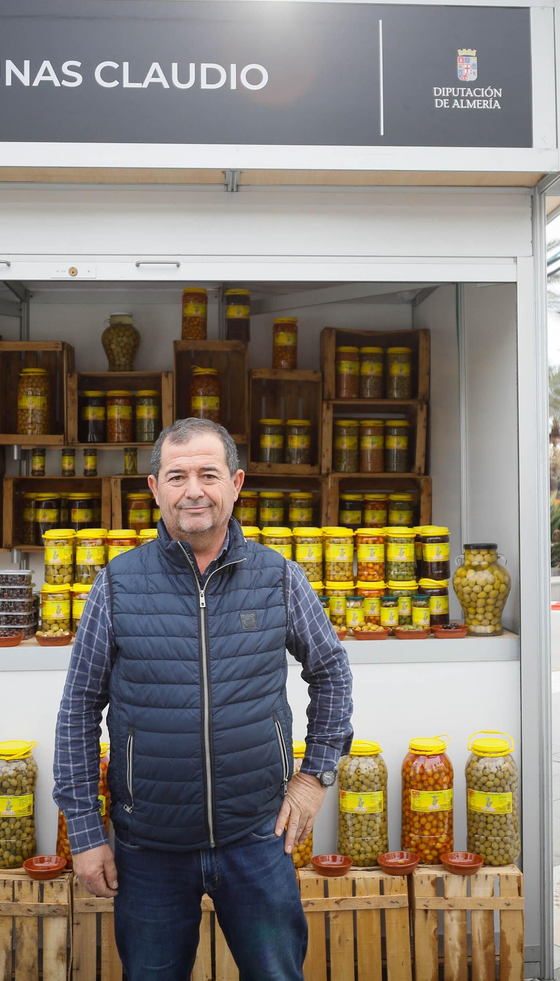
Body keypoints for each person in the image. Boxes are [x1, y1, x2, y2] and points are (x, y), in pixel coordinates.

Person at [54, 417, 353, 980]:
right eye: (177, 476)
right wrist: (87, 833)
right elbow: (77, 711)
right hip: (149, 850)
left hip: (258, 840)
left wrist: (314, 777)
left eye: (208, 474)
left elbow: (332, 670)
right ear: (154, 489)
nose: (193, 489)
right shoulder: (115, 586)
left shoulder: (280, 578)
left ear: (235, 484)